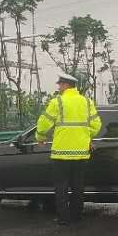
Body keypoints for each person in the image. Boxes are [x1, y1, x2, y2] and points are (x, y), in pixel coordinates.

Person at [36, 73, 101, 225]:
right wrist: (86, 135)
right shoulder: (86, 102)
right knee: (78, 186)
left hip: (61, 154)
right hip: (81, 153)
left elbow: (44, 122)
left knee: (61, 187)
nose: (58, 87)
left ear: (66, 85)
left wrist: (40, 137)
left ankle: (63, 218)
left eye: (60, 84)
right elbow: (96, 124)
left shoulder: (57, 101)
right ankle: (77, 216)